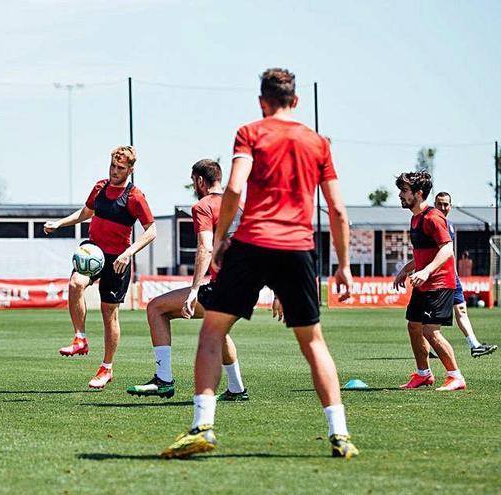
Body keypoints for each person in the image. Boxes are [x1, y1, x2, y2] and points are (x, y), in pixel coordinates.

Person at [161, 68, 358, 459]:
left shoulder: (250, 132)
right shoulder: (318, 143)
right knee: (313, 342)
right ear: (296, 101)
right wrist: (344, 264)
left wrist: (219, 241)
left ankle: (202, 426)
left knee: (212, 333)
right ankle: (340, 435)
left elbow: (234, 187)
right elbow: (336, 208)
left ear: (262, 102)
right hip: (297, 248)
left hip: (252, 243)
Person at [126, 159, 250, 401]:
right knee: (218, 328)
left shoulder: (203, 206)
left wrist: (194, 290)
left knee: (156, 308)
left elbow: (204, 247)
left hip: (224, 287)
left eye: (194, 181)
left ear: (200, 181)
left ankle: (163, 379)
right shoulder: (240, 205)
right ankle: (236, 389)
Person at [44, 146, 156, 389]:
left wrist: (128, 253)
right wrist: (59, 223)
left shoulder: (135, 196)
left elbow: (152, 231)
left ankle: (106, 368)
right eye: (113, 166)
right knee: (75, 284)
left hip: (118, 259)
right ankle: (80, 338)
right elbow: (85, 213)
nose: (115, 171)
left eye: (121, 168)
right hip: (92, 252)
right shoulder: (100, 187)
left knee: (109, 313)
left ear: (131, 170)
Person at [392, 176, 466, 391]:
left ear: (418, 193)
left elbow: (446, 249)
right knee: (414, 326)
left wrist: (425, 271)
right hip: (423, 283)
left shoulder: (433, 217)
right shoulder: (415, 219)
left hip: (439, 283)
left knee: (430, 331)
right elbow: (424, 253)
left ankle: (456, 376)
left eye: (405, 190)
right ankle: (424, 374)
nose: (400, 195)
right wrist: (406, 270)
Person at [429, 193, 495, 357]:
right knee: (432, 316)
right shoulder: (430, 223)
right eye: (440, 204)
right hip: (437, 277)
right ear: (434, 204)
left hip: (452, 275)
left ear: (450, 206)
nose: (443, 208)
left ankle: (474, 345)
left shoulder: (449, 225)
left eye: (446, 204)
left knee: (461, 309)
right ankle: (433, 349)